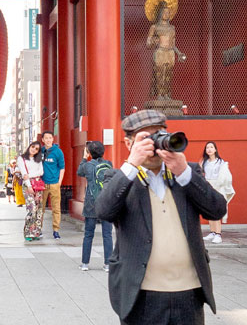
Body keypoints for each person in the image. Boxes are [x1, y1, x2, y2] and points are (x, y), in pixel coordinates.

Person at [95, 109, 227, 325]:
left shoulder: (187, 172)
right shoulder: (120, 177)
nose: (154, 145)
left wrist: (184, 172)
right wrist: (131, 164)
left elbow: (217, 210)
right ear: (129, 144)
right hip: (141, 294)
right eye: (145, 138)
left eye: (159, 136)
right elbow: (104, 211)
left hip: (189, 291)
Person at [77, 140, 113, 272]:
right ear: (103, 152)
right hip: (106, 201)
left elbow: (79, 172)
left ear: (90, 152)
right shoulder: (108, 164)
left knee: (88, 234)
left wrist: (84, 157)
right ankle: (108, 264)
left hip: (91, 202)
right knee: (107, 234)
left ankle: (85, 263)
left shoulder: (87, 165)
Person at [199, 141, 235, 244]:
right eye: (207, 148)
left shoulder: (221, 163)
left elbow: (226, 177)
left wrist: (219, 185)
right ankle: (212, 232)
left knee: (216, 211)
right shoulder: (203, 162)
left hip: (218, 188)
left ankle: (218, 234)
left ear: (215, 149)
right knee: (209, 211)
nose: (209, 149)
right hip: (207, 187)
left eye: (211, 147)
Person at [15, 140, 45, 241]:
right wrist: (29, 185)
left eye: (36, 149)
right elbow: (24, 174)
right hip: (28, 186)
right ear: (29, 147)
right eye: (32, 147)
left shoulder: (38, 159)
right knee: (32, 209)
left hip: (38, 185)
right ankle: (28, 232)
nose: (34, 150)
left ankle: (36, 232)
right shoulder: (21, 158)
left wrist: (31, 175)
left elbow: (41, 172)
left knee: (39, 209)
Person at [40, 130, 65, 239]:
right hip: (42, 184)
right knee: (40, 208)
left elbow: (62, 167)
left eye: (50, 138)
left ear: (53, 139)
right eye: (46, 138)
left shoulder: (58, 152)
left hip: (54, 183)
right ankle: (38, 229)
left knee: (56, 208)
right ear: (43, 140)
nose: (48, 140)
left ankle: (56, 230)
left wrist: (60, 181)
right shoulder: (39, 151)